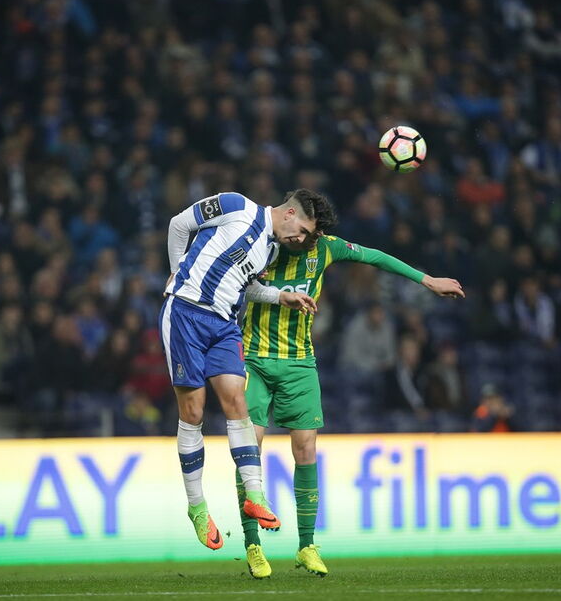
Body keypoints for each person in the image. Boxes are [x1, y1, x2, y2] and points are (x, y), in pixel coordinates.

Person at [237, 225, 464, 578]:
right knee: (250, 448)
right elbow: (238, 285)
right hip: (254, 358)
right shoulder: (265, 245)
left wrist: (427, 280)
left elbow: (376, 257)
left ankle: (307, 546)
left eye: (310, 236)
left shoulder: (326, 247)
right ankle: (253, 547)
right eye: (299, 234)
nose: (302, 241)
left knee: (306, 451)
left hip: (300, 363)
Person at [161, 189, 332, 551]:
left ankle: (255, 494)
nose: (300, 240)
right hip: (187, 313)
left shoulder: (269, 249)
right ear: (289, 213)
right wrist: (178, 272)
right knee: (192, 412)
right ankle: (198, 508)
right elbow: (179, 224)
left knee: (236, 402)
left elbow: (245, 286)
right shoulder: (236, 206)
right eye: (301, 229)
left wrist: (280, 295)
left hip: (224, 323)